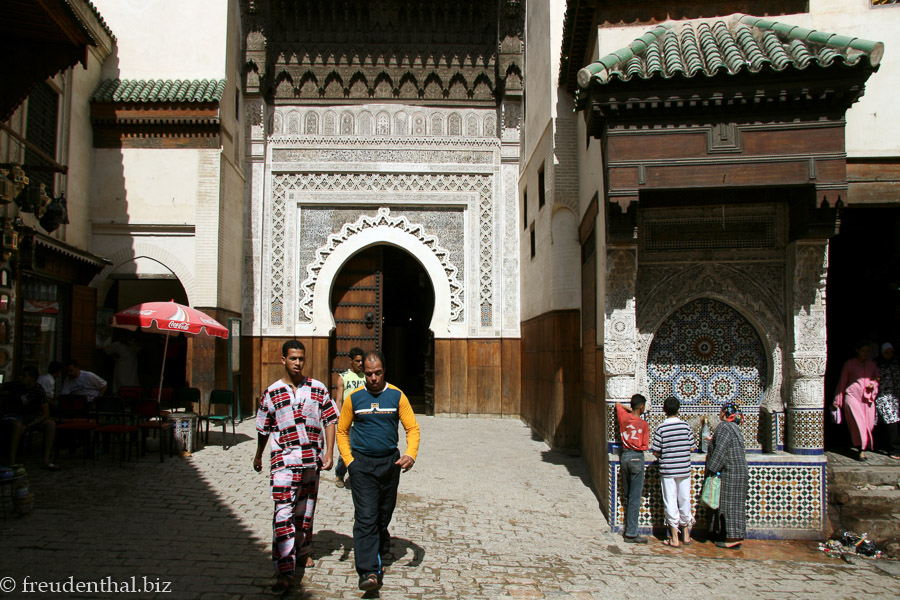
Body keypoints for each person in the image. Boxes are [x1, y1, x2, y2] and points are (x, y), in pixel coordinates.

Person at [253, 340, 339, 594]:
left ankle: (302, 551)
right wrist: (258, 455)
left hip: (311, 461)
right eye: (293, 358)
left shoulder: (318, 389)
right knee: (283, 514)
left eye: (301, 358)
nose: (298, 363)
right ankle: (285, 570)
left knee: (305, 511)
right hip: (283, 462)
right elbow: (263, 428)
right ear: (283, 360)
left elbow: (330, 420)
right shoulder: (272, 393)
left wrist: (329, 453)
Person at [336, 350, 420, 592]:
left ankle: (380, 540)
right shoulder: (355, 398)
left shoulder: (397, 396)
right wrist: (349, 461)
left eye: (377, 373)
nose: (372, 378)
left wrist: (410, 454)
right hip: (362, 466)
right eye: (369, 374)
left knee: (383, 513)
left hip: (389, 465)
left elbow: (412, 428)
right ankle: (369, 571)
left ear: (384, 371)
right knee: (366, 517)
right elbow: (342, 431)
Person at [650, 396, 695, 547]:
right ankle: (686, 535)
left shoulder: (661, 428)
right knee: (684, 499)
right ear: (678, 410)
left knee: (670, 500)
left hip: (668, 470)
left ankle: (674, 537)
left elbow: (656, 451)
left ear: (664, 410)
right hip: (684, 469)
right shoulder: (686, 426)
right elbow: (692, 447)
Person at [705, 402, 748, 549]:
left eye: (721, 411)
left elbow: (721, 450)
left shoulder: (724, 426)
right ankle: (729, 534)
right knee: (733, 504)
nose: (719, 413)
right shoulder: (734, 427)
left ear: (725, 413)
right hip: (738, 470)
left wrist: (711, 469)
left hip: (730, 471)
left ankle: (732, 539)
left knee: (730, 506)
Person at [1, 366, 59, 470]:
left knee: (50, 424)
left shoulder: (38, 390)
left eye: (24, 376)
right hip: (14, 415)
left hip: (31, 417)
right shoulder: (15, 385)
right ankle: (12, 462)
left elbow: (46, 413)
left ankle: (46, 460)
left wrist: (29, 425)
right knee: (17, 426)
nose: (20, 378)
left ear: (32, 378)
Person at [833, 341, 880, 461]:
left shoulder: (871, 365)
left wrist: (873, 383)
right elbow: (843, 381)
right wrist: (838, 399)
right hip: (852, 396)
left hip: (867, 399)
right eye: (863, 351)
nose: (865, 354)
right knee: (859, 423)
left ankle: (861, 446)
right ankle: (862, 451)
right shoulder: (849, 364)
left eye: (867, 351)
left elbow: (877, 378)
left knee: (868, 424)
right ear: (857, 350)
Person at [616, 393, 649, 543]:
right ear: (641, 407)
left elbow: (617, 404)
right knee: (635, 497)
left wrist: (630, 409)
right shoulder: (643, 424)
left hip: (625, 457)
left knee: (628, 495)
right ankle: (631, 533)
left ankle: (627, 527)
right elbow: (644, 445)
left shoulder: (624, 418)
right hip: (637, 458)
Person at [334, 346, 366, 488]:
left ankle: (357, 476)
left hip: (364, 420)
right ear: (350, 361)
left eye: (361, 361)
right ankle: (340, 474)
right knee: (348, 450)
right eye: (357, 361)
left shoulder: (367, 376)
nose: (360, 364)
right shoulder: (343, 377)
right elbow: (338, 400)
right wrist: (340, 418)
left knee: (362, 450)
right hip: (349, 420)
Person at [875, 342, 900, 459]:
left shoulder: (895, 364)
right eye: (886, 352)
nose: (888, 355)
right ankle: (894, 449)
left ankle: (886, 445)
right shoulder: (877, 364)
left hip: (895, 396)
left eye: (890, 352)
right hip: (883, 396)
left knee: (891, 421)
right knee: (891, 420)